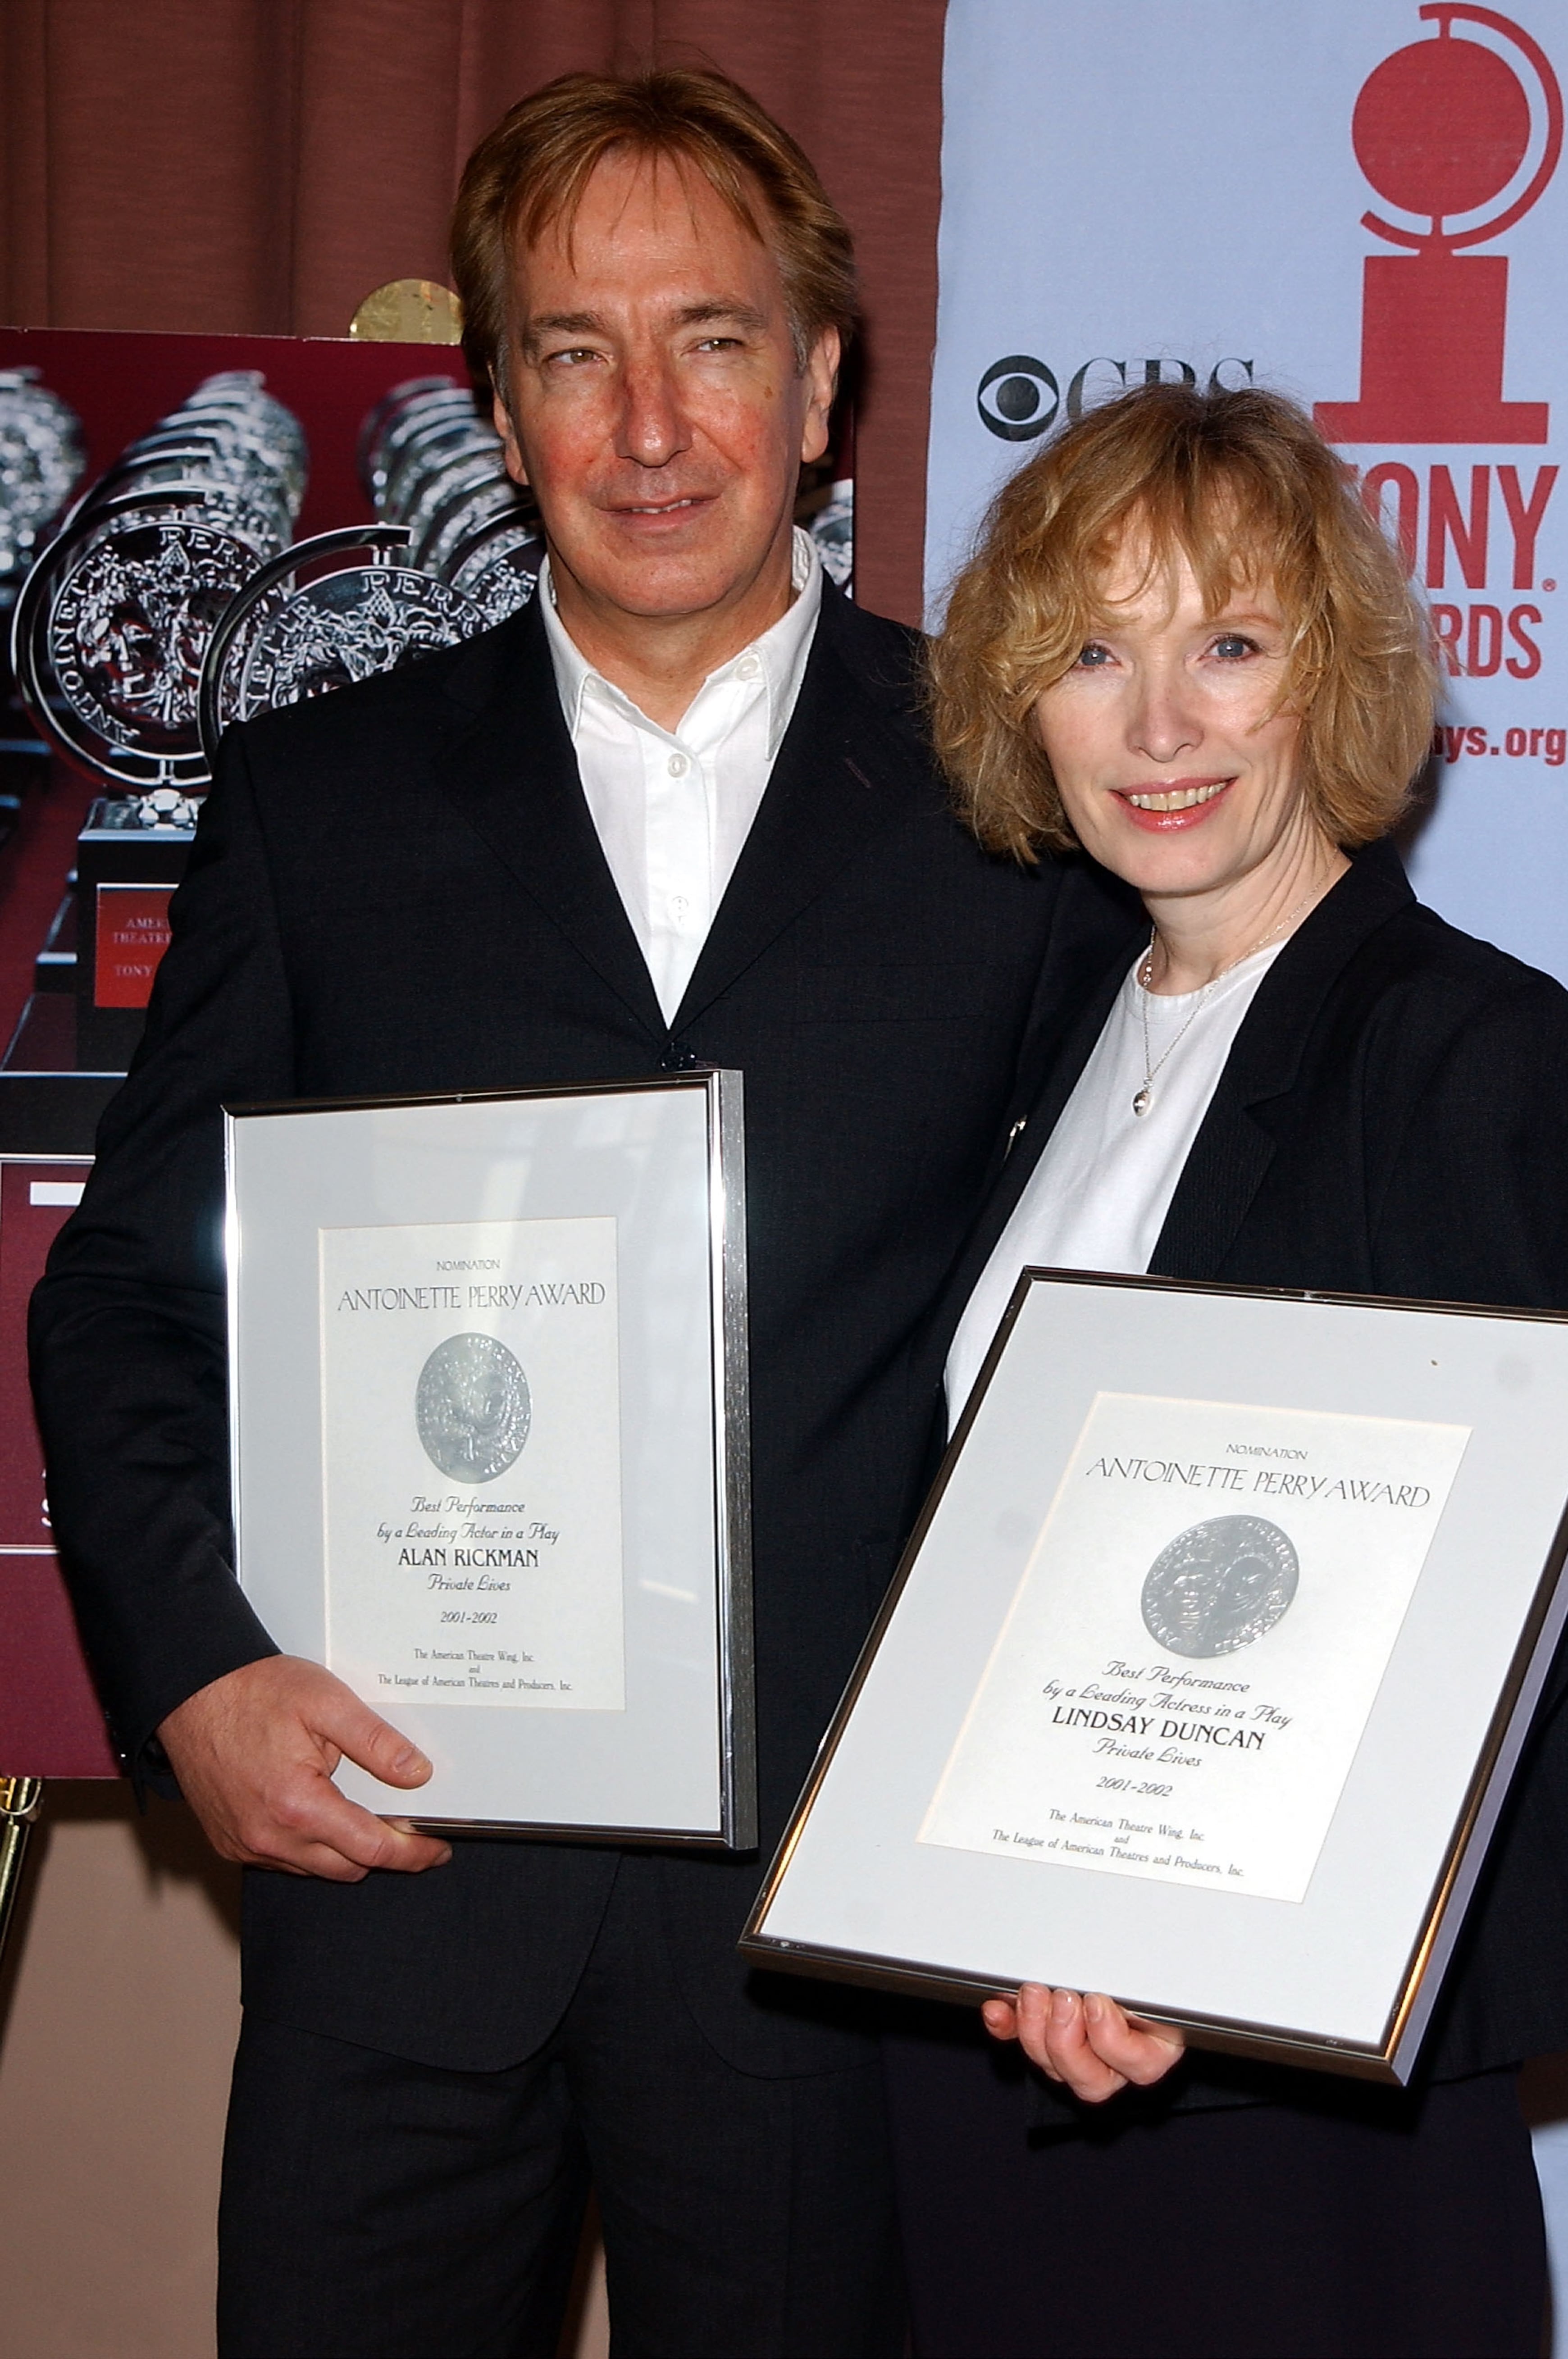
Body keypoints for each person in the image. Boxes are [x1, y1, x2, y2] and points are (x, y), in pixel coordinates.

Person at [27, 69, 1140, 2359]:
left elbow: (1102, 1345)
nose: (648, 423)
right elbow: (136, 1293)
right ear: (501, 403)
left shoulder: (1013, 807)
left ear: (823, 386)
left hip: (830, 1940)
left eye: (714, 339)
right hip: (398, 1886)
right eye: (572, 350)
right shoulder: (319, 804)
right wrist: (197, 1674)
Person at [884, 380, 1568, 2359]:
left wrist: (1184, 1953)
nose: (1158, 726)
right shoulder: (1064, 1025)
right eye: (1090, 652)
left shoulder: (1475, 1052)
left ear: (1335, 676)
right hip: (1001, 2032)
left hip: (1288, 2094)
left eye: (1229, 646)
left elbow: (1486, 1612)